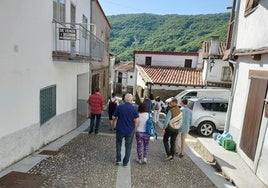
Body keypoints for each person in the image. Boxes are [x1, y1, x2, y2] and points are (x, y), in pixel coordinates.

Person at [113, 93, 139, 167]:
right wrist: (134, 128)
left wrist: (115, 119)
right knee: (128, 146)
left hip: (120, 129)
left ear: (124, 99)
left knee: (118, 143)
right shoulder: (134, 108)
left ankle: (118, 159)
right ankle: (125, 162)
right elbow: (136, 120)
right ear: (131, 100)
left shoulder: (119, 107)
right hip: (130, 130)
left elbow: (113, 117)